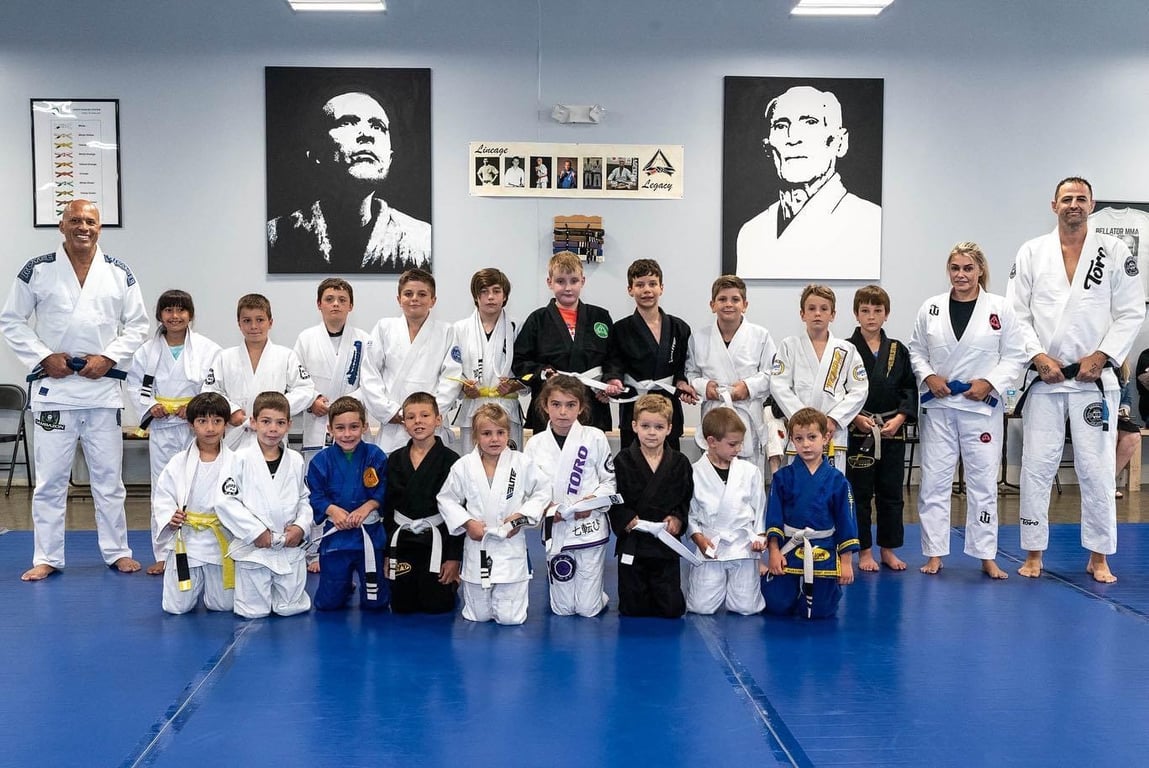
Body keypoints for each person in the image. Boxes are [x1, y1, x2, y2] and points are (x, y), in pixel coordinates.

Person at [0, 199, 150, 581]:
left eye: (90, 221)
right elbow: (11, 320)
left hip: (102, 391)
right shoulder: (37, 270)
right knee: (50, 481)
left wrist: (109, 358)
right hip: (55, 390)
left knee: (108, 481)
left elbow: (138, 325)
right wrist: (44, 356)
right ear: (62, 225)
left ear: (100, 227)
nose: (84, 227)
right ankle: (47, 556)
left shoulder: (118, 272)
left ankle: (118, 551)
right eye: (76, 220)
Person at [1007, 177, 1146, 582]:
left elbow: (1131, 311)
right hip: (1046, 379)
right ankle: (1033, 553)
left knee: (1097, 470)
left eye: (1080, 199)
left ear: (1091, 205)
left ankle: (1098, 556)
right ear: (1054, 205)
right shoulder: (1032, 252)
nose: (1073, 204)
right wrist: (1038, 357)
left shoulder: (1114, 251)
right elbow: (1016, 314)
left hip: (1093, 379)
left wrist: (1102, 356)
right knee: (1036, 466)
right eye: (1066, 199)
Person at [909, 243, 1027, 579]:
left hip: (980, 409)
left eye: (967, 268)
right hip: (940, 407)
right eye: (955, 268)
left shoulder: (1000, 308)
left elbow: (1015, 355)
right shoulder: (931, 308)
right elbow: (916, 350)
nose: (960, 275)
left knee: (983, 484)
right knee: (934, 483)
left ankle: (986, 555)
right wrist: (929, 376)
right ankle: (934, 553)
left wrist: (989, 382)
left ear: (980, 271)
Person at [267, 89, 431, 273]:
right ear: (317, 154)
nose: (367, 135)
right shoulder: (277, 235)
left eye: (378, 126)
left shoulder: (422, 240)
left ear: (389, 158)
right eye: (347, 123)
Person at [735, 85, 881, 280]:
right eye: (781, 125)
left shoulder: (871, 222)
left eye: (810, 123)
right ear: (768, 146)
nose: (793, 138)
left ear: (839, 142)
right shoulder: (751, 233)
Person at [127, 289, 222, 576]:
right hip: (162, 429)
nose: (175, 316)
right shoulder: (145, 352)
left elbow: (215, 384)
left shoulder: (208, 349)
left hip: (198, 428)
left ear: (190, 315)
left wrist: (195, 408)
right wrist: (151, 406)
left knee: (201, 485)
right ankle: (163, 552)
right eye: (168, 310)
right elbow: (135, 386)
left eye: (181, 310)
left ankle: (203, 550)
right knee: (163, 488)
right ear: (160, 315)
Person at [437, 404, 550, 625]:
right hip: (477, 544)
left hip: (509, 544)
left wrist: (520, 518)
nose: (494, 439)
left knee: (510, 618)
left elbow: (543, 491)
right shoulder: (464, 466)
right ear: (475, 437)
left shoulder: (521, 462)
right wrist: (467, 523)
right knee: (478, 616)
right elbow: (446, 498)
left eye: (500, 432)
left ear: (508, 434)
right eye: (486, 433)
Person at [293, 278, 371, 572]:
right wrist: (312, 399)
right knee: (317, 488)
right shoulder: (306, 339)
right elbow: (297, 380)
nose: (335, 304)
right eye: (329, 299)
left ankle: (353, 546)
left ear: (351, 305)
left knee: (352, 487)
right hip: (318, 422)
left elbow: (370, 383)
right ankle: (315, 550)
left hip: (350, 425)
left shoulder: (364, 340)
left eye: (341, 299)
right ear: (319, 304)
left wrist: (347, 407)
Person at [523, 375, 618, 617]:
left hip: (589, 526)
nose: (563, 412)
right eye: (556, 404)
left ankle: (596, 594)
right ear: (545, 406)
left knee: (587, 609)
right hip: (556, 528)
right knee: (562, 609)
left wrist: (592, 502)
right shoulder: (535, 444)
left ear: (581, 407)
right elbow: (529, 490)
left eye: (570, 405)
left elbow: (609, 482)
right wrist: (546, 508)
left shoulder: (595, 437)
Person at [216, 392, 312, 619]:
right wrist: (256, 532)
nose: (273, 429)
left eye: (280, 423)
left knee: (291, 608)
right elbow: (225, 501)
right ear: (253, 422)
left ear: (289, 425)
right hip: (254, 549)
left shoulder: (296, 460)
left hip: (288, 546)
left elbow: (303, 499)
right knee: (253, 611)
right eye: (266, 422)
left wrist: (300, 527)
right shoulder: (239, 459)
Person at [844, 285, 916, 572]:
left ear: (887, 314)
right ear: (856, 314)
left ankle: (888, 549)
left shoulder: (898, 349)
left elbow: (909, 388)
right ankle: (863, 551)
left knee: (891, 493)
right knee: (859, 494)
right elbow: (839, 390)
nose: (871, 316)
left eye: (877, 310)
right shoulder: (845, 349)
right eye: (865, 310)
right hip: (859, 431)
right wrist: (854, 417)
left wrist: (900, 418)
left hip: (892, 430)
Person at [761, 408, 858, 619]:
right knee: (777, 606)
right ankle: (776, 582)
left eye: (812, 437)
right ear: (791, 441)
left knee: (819, 611)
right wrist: (774, 552)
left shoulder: (838, 481)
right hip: (789, 548)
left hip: (823, 548)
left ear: (826, 438)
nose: (805, 444)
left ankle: (823, 590)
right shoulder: (782, 478)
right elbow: (773, 516)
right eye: (799, 438)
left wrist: (846, 563)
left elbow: (846, 522)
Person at [513, 251, 622, 432]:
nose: (568, 288)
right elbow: (519, 361)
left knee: (590, 449)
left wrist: (612, 379)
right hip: (550, 404)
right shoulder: (537, 320)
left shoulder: (600, 317)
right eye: (560, 281)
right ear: (549, 282)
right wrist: (544, 373)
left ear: (583, 281)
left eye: (574, 281)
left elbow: (614, 357)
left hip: (591, 404)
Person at [685, 274, 779, 477]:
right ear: (712, 305)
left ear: (745, 305)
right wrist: (704, 387)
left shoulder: (760, 336)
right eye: (722, 299)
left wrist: (748, 387)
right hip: (714, 414)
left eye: (735, 299)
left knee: (748, 479)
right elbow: (690, 372)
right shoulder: (699, 338)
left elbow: (772, 373)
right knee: (712, 478)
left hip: (747, 414)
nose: (728, 304)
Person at [359, 268, 462, 452]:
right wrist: (390, 411)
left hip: (431, 428)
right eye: (408, 294)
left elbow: (451, 379)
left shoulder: (447, 332)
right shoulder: (384, 328)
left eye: (422, 294)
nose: (415, 299)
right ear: (399, 299)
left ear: (433, 300)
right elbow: (369, 375)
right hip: (393, 425)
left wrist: (428, 415)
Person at [609, 394, 694, 618]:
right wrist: (626, 519)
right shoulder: (622, 460)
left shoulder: (680, 463)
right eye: (645, 426)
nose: (652, 432)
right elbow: (614, 499)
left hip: (664, 545)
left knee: (671, 609)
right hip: (634, 542)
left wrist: (677, 519)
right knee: (632, 609)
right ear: (634, 426)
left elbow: (685, 498)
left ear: (669, 429)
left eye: (659, 427)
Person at [151, 392, 236, 615]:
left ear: (226, 424)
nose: (210, 428)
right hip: (187, 542)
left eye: (217, 421)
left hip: (221, 542)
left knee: (223, 605)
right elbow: (163, 497)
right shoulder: (178, 462)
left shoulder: (237, 462)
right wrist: (171, 517)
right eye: (202, 421)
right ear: (191, 425)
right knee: (176, 607)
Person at [202, 293, 317, 451]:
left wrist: (275, 410)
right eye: (247, 321)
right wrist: (231, 410)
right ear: (239, 324)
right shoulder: (224, 357)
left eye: (260, 320)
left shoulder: (286, 356)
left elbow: (305, 389)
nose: (254, 326)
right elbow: (210, 391)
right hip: (236, 437)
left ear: (270, 322)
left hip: (273, 435)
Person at [772, 284, 869, 472]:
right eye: (811, 308)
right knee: (799, 485)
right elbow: (779, 385)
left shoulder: (846, 349)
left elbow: (860, 389)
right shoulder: (789, 346)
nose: (817, 313)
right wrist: (803, 420)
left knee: (831, 485)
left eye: (824, 309)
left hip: (832, 433)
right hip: (800, 433)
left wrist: (834, 419)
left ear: (832, 314)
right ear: (802, 314)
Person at [306, 396, 389, 612]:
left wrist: (367, 507)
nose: (347, 434)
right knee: (328, 604)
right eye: (340, 428)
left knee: (376, 603)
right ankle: (342, 584)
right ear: (330, 429)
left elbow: (384, 489)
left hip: (368, 534)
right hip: (337, 536)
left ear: (364, 426)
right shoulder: (321, 461)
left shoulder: (375, 455)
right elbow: (315, 495)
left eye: (354, 427)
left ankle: (356, 584)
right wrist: (332, 510)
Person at [384, 392, 462, 614]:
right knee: (402, 606)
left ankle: (451, 584)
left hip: (438, 539)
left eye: (425, 415)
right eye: (411, 417)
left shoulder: (452, 460)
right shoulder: (395, 459)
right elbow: (389, 508)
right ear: (404, 423)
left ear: (438, 420)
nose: (418, 421)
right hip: (403, 540)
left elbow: (458, 513)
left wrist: (454, 558)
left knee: (437, 605)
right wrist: (387, 554)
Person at [608, 259, 696, 451]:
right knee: (632, 462)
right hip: (634, 405)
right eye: (640, 285)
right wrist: (614, 380)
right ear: (630, 290)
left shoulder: (679, 327)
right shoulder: (620, 329)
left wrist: (682, 381)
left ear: (661, 288)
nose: (646, 290)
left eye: (652, 284)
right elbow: (614, 363)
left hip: (668, 405)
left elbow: (684, 366)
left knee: (670, 462)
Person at [687, 407, 767, 616]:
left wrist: (760, 537)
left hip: (743, 546)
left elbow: (759, 508)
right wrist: (698, 539)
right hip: (711, 545)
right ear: (711, 441)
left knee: (746, 607)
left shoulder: (750, 471)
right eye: (733, 444)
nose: (738, 448)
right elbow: (690, 514)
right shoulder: (694, 472)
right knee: (701, 608)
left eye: (740, 443)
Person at [452, 268, 523, 449]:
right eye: (484, 292)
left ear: (505, 296)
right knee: (471, 463)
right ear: (476, 297)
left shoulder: (517, 327)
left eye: (496, 291)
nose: (490, 297)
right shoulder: (459, 329)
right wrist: (463, 386)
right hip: (473, 407)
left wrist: (515, 384)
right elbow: (451, 368)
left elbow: (526, 367)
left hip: (506, 408)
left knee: (509, 463)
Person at [1114, 362, 1140, 500]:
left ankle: (1110, 480)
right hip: (1097, 415)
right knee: (1112, 434)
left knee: (1133, 436)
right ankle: (1102, 481)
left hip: (1117, 416)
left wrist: (1124, 410)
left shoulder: (1123, 371)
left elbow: (1127, 399)